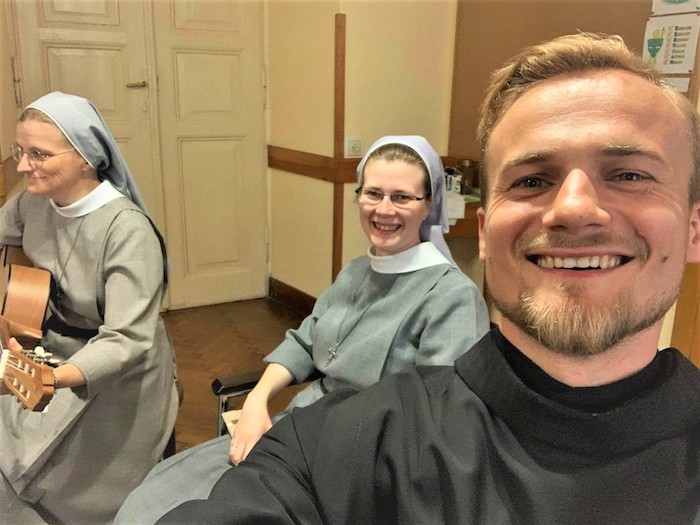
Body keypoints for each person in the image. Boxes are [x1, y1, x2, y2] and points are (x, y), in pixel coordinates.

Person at [156, 33, 700, 524]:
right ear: (484, 232)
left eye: (629, 174)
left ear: (693, 230)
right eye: (533, 180)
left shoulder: (447, 298)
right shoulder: (352, 400)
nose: (575, 209)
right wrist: (260, 400)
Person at [115, 135, 490, 523]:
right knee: (152, 498)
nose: (384, 209)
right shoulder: (357, 271)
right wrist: (257, 400)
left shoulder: (451, 297)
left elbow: (435, 424)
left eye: (402, 197)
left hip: (360, 464)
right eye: (373, 193)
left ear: (429, 204)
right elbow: (307, 340)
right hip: (297, 428)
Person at [0, 91, 178, 524]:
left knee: (79, 483)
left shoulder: (127, 229)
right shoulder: (31, 202)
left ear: (85, 158)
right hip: (50, 346)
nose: (23, 166)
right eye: (20, 151)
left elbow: (126, 339)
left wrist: (51, 379)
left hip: (118, 371)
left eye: (39, 154)